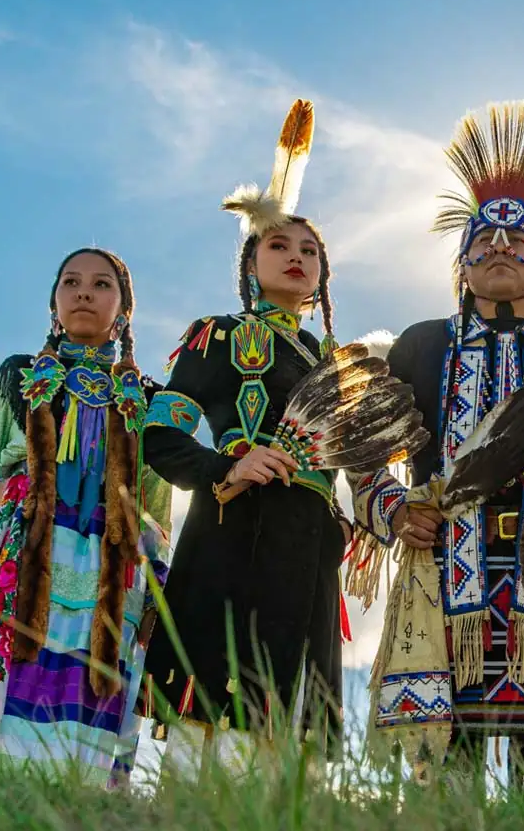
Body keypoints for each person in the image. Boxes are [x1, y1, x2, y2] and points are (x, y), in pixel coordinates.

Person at [345, 101, 524, 796]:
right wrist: (392, 510)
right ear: (462, 263)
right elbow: (364, 450)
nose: (501, 249)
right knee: (443, 774)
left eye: (518, 242)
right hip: (448, 570)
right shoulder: (422, 345)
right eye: (485, 243)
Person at [139, 100, 347, 777]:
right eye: (278, 245)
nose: (296, 257)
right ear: (250, 260)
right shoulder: (219, 335)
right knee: (222, 702)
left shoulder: (330, 362)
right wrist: (228, 462)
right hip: (235, 530)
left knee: (299, 715)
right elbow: (161, 433)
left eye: (309, 250)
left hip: (311, 546)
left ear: (322, 276)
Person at [0, 247, 172, 789]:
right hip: (23, 558)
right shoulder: (18, 376)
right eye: (71, 282)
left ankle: (78, 801)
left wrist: (151, 566)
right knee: (7, 680)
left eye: (102, 284)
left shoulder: (148, 399)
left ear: (124, 310)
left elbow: (156, 515)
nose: (84, 292)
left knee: (94, 686)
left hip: (112, 572)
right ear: (54, 304)